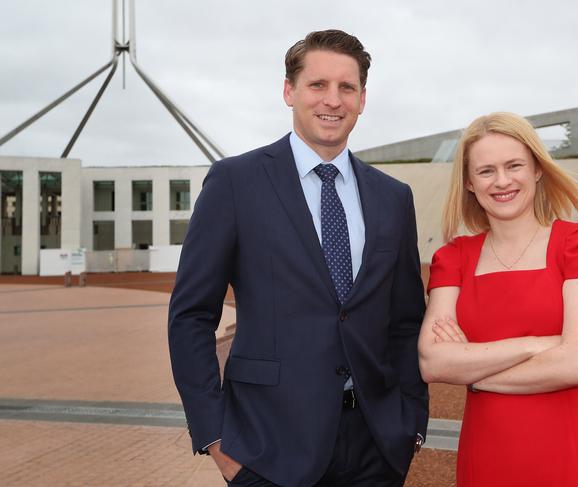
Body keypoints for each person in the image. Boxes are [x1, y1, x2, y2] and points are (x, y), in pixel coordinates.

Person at [168, 29, 428, 487]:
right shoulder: (234, 182)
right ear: (289, 91)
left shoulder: (393, 197)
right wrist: (216, 439)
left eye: (346, 87)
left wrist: (412, 424)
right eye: (317, 85)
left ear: (362, 99)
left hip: (376, 447)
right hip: (268, 449)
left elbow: (405, 320)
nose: (333, 100)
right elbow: (191, 315)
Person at [418, 112, 578, 486]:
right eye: (485, 171)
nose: (502, 181)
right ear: (468, 182)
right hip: (487, 456)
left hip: (573, 454)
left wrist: (475, 372)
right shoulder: (454, 258)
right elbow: (434, 362)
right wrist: (543, 344)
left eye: (514, 166)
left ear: (537, 169)